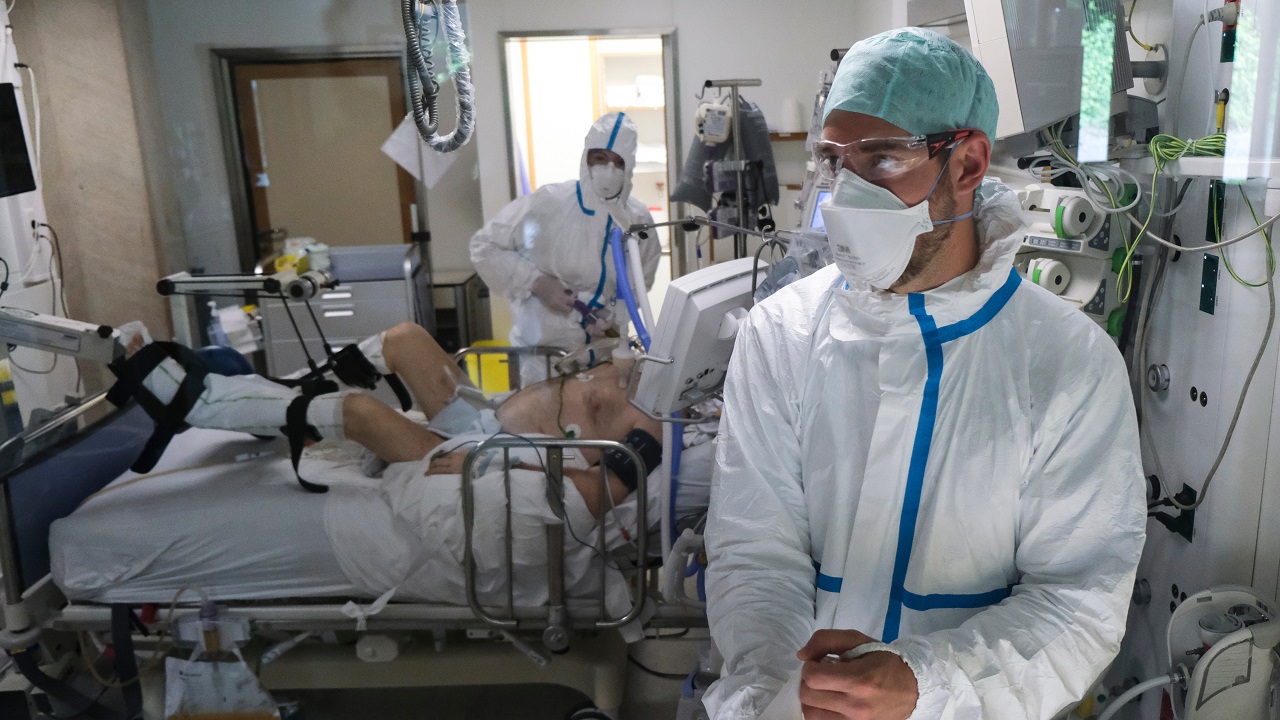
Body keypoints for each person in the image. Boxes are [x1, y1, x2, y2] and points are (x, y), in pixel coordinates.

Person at [703, 28, 1146, 720]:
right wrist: (775, 698)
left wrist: (925, 686)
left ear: (968, 164)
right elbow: (754, 553)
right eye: (834, 161)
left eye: (882, 159)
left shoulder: (1066, 363)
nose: (847, 195)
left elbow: (1078, 603)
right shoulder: (781, 335)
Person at [111, 322, 663, 517]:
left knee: (361, 413)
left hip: (487, 453)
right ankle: (280, 399)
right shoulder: (655, 368)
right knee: (405, 339)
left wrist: (484, 465)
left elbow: (602, 490)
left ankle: (204, 403)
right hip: (484, 421)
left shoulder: (657, 423)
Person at [470, 112, 662, 384]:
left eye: (619, 162)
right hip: (544, 361)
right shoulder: (550, 203)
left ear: (629, 166)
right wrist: (537, 282)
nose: (609, 170)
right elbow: (484, 247)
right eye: (600, 158)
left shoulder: (638, 220)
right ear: (586, 159)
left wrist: (615, 315)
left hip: (605, 359)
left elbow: (639, 283)